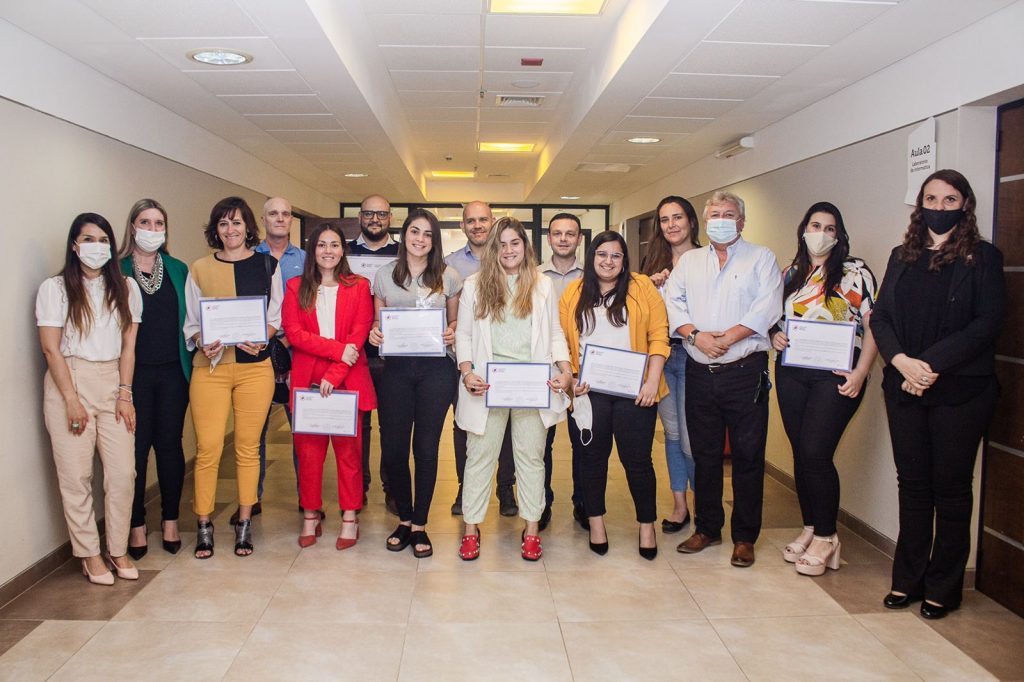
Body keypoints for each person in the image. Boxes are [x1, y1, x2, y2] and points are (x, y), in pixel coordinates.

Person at [871, 169, 1005, 619]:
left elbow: (986, 324)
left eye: (950, 200)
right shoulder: (901, 256)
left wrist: (927, 366)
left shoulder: (984, 258)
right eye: (931, 199)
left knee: (951, 488)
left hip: (961, 391)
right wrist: (901, 362)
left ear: (965, 204)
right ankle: (907, 578)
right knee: (912, 485)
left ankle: (944, 586)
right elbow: (881, 317)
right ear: (920, 205)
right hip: (904, 386)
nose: (940, 207)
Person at [666, 191, 783, 568]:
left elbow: (767, 306)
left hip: (745, 372)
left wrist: (729, 337)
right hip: (700, 372)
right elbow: (672, 302)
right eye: (714, 214)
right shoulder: (690, 261)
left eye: (728, 214)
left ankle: (744, 537)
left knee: (748, 456)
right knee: (705, 454)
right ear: (705, 221)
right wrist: (696, 336)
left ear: (741, 221)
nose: (721, 220)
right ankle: (708, 528)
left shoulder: (761, 258)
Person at [455, 217, 573, 561]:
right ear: (493, 249)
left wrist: (565, 370)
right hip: (487, 386)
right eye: (502, 244)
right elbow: (463, 334)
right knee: (479, 458)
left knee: (531, 459)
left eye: (515, 243)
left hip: (531, 386)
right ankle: (471, 529)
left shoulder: (542, 284)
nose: (508, 250)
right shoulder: (474, 285)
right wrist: (467, 372)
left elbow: (554, 332)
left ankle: (532, 529)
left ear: (525, 246)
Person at [770, 202, 878, 576]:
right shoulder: (790, 274)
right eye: (815, 226)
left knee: (816, 452)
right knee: (801, 452)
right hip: (792, 372)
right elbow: (773, 319)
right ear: (804, 230)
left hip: (837, 374)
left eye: (830, 228)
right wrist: (775, 334)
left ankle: (828, 536)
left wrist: (862, 372)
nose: (821, 234)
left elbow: (874, 324)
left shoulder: (855, 272)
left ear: (839, 235)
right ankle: (811, 526)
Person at [37, 213, 142, 584]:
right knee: (77, 475)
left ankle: (117, 548)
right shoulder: (55, 288)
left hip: (113, 381)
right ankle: (89, 554)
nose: (96, 247)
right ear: (74, 245)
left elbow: (129, 347)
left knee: (123, 473)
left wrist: (125, 393)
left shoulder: (126, 287)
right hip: (70, 379)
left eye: (103, 240)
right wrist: (71, 399)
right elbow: (50, 349)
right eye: (88, 239)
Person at [560, 231, 669, 559]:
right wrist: (572, 378)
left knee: (638, 461)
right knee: (591, 460)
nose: (608, 261)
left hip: (636, 391)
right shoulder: (573, 291)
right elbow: (562, 341)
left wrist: (652, 381)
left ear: (624, 260)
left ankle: (647, 526)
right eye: (602, 254)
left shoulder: (642, 287)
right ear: (591, 257)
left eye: (616, 255)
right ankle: (596, 523)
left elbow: (659, 335)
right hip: (588, 392)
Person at [184, 197, 281, 559]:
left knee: (247, 447)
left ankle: (244, 521)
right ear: (215, 229)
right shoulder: (199, 268)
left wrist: (264, 337)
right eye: (223, 223)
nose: (230, 230)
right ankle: (204, 524)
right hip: (210, 369)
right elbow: (192, 322)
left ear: (248, 227)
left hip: (255, 368)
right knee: (208, 448)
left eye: (237, 223)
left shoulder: (268, 265)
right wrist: (201, 341)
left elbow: (275, 316)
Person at [370, 209, 462, 558]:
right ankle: (404, 518)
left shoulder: (448, 276)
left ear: (434, 241)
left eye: (427, 234)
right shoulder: (384, 275)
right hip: (395, 370)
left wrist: (452, 331)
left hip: (436, 371)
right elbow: (377, 323)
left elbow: (455, 323)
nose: (420, 239)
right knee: (393, 449)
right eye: (414, 231)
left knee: (425, 447)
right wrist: (374, 332)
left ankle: (420, 524)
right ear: (404, 235)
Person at [282, 223, 375, 550]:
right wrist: (336, 351)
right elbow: (294, 333)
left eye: (334, 245)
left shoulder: (359, 286)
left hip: (347, 380)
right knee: (309, 455)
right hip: (308, 382)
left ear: (343, 250)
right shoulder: (296, 287)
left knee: (350, 455)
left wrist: (334, 375)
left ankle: (350, 516)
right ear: (313, 250)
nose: (328, 251)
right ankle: (311, 514)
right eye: (322, 245)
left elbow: (358, 335)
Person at [118, 199, 191, 559]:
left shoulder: (178, 269)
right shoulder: (115, 269)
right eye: (144, 222)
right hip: (133, 375)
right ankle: (136, 525)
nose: (151, 229)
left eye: (158, 223)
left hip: (174, 372)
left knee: (170, 446)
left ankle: (171, 520)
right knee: (134, 450)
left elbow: (191, 319)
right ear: (132, 227)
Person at [445, 201, 518, 518]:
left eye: (483, 220)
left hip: (505, 362)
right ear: (462, 225)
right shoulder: (448, 265)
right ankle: (466, 487)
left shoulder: (511, 258)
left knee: (507, 426)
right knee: (465, 426)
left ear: (493, 222)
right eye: (470, 220)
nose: (477, 225)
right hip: (462, 362)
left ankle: (505, 487)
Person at [641, 196, 701, 535]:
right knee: (673, 433)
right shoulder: (654, 263)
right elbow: (644, 314)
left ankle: (703, 502)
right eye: (665, 220)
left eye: (677, 217)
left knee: (692, 437)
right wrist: (650, 288)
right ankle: (680, 506)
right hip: (662, 356)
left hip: (695, 355)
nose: (672, 225)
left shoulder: (708, 259)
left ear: (691, 221)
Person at [248, 196, 306, 524]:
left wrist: (287, 340)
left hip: (298, 354)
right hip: (256, 352)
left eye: (286, 213)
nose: (280, 218)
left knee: (302, 430)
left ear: (291, 220)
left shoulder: (306, 259)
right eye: (273, 213)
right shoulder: (248, 257)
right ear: (263, 219)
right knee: (255, 430)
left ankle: (306, 497)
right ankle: (251, 497)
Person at [348, 194, 397, 513]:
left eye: (381, 214)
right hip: (355, 353)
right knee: (358, 425)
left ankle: (392, 488)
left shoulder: (404, 253)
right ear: (360, 217)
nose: (375, 219)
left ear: (390, 218)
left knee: (392, 425)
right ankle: (359, 487)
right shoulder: (344, 253)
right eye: (368, 214)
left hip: (393, 354)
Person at [539, 212, 586, 530]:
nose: (564, 239)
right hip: (546, 371)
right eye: (558, 233)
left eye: (570, 234)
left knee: (584, 441)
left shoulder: (593, 275)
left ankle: (583, 504)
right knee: (541, 442)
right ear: (549, 238)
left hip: (582, 370)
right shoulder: (534, 276)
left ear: (579, 239)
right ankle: (541, 503)